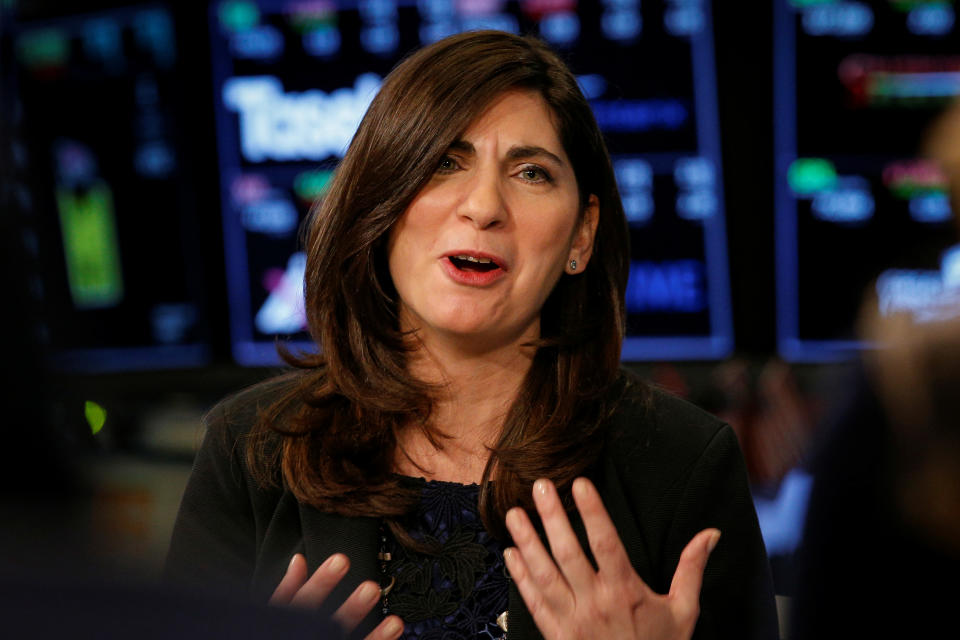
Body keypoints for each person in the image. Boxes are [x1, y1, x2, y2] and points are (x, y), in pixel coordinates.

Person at [165, 30, 778, 640]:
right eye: (443, 163)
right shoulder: (248, 450)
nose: (484, 205)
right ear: (379, 201)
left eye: (532, 172)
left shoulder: (683, 462)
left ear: (582, 236)